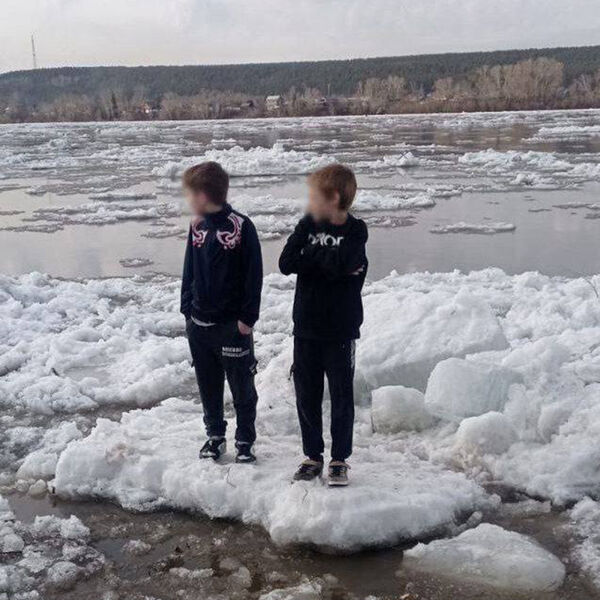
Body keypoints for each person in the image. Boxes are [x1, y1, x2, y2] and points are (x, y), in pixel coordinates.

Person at [279, 164, 368, 486]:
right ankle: (312, 455)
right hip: (306, 326)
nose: (309, 202)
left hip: (340, 329)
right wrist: (327, 263)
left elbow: (348, 262)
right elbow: (286, 263)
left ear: (333, 198)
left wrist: (311, 259)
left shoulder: (356, 231)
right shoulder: (308, 224)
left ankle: (339, 459)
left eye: (314, 197)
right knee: (307, 394)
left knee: (341, 395)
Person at [181, 161, 263, 463]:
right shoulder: (197, 226)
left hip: (232, 326)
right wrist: (187, 310)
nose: (188, 200)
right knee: (208, 385)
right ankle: (215, 436)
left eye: (190, 194)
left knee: (242, 387)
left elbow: (254, 275)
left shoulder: (241, 227)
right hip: (199, 324)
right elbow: (189, 269)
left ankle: (245, 440)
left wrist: (247, 319)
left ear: (203, 195)